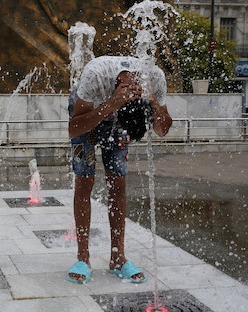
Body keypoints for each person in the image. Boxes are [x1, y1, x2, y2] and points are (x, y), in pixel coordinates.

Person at [67, 56, 173, 284]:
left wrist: (153, 101)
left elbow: (163, 130)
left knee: (118, 184)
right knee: (85, 181)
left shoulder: (155, 78)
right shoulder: (96, 74)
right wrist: (111, 105)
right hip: (87, 113)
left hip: (118, 114)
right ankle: (83, 258)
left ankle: (118, 257)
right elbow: (74, 127)